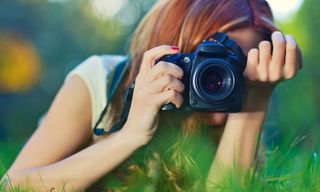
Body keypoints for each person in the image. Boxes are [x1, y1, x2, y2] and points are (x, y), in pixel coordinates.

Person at [2, 0, 303, 191]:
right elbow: (13, 186)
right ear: (174, 52)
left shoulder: (242, 105)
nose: (221, 86)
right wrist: (130, 135)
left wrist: (255, 100)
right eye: (208, 70)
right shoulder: (100, 80)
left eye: (236, 75)